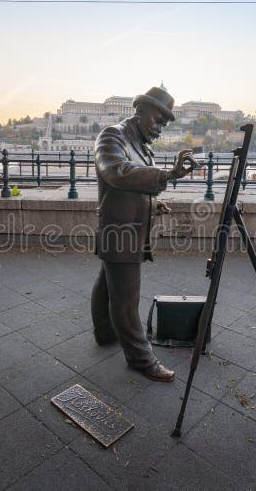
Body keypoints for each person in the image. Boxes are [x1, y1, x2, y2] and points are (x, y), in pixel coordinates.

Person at [90, 86, 198, 382]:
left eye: (165, 123)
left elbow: (131, 185)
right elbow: (117, 172)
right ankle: (141, 359)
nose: (160, 128)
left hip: (126, 227)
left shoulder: (140, 142)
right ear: (140, 112)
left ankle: (103, 332)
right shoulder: (113, 136)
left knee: (107, 283)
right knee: (126, 300)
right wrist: (167, 175)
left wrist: (153, 202)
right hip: (120, 230)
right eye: (157, 120)